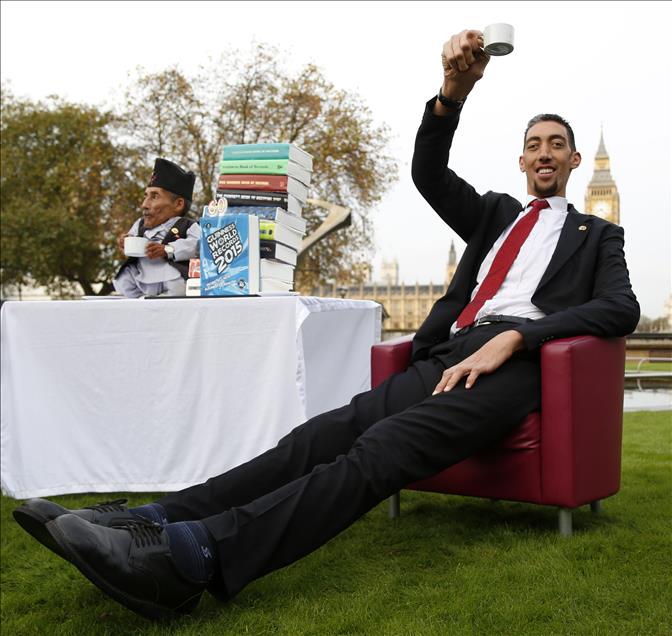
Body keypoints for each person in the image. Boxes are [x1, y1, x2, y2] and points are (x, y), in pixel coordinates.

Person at [14, 29, 639, 621]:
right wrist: (453, 94)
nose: (545, 153)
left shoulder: (597, 236)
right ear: (522, 160)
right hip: (448, 354)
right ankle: (151, 517)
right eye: (535, 144)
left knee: (380, 451)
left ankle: (195, 557)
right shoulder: (495, 215)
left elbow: (621, 308)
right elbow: (428, 174)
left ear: (576, 159)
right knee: (314, 437)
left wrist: (517, 336)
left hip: (515, 365)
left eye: (557, 143)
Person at [113, 157, 200, 298]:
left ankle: (163, 300)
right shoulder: (140, 224)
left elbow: (197, 245)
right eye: (145, 196)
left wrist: (167, 249)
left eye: (154, 197)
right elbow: (131, 238)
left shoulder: (188, 226)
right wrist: (125, 242)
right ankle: (140, 300)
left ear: (178, 204)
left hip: (167, 271)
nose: (144, 204)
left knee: (179, 285)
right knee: (122, 280)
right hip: (142, 270)